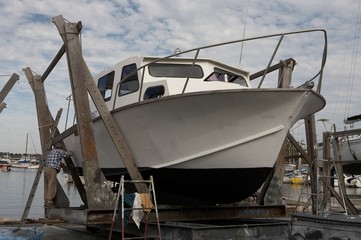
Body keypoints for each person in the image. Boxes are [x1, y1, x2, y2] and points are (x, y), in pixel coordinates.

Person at [44, 142, 72, 208]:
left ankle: (46, 201)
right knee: (52, 186)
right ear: (59, 147)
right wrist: (72, 152)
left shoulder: (51, 152)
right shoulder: (58, 151)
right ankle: (50, 202)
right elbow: (68, 154)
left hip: (46, 170)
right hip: (52, 169)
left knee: (47, 185)